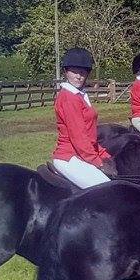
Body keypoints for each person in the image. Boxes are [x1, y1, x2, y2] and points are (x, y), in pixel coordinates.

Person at [50, 47, 112, 189]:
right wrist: (99, 162)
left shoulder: (80, 95)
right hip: (69, 157)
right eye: (74, 71)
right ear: (66, 71)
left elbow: (89, 134)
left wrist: (104, 154)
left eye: (83, 72)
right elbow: (79, 137)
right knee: (107, 190)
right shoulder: (69, 98)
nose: (79, 76)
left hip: (82, 154)